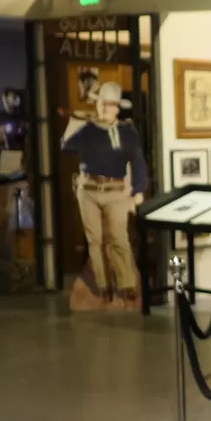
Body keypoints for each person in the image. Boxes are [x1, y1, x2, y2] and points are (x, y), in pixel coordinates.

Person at [61, 81, 147, 303]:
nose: (107, 109)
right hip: (88, 190)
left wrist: (137, 189)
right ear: (97, 105)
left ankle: (126, 283)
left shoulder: (127, 131)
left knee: (119, 238)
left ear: (117, 108)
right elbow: (66, 146)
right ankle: (103, 285)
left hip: (116, 190)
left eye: (112, 105)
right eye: (103, 104)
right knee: (95, 240)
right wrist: (77, 120)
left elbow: (137, 162)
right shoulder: (87, 130)